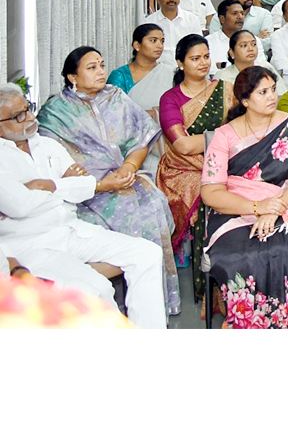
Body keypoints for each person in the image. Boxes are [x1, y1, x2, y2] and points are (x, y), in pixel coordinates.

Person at [0, 83, 167, 329]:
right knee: (97, 289)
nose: (30, 117)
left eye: (28, 108)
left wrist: (48, 185)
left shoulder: (45, 144)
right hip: (35, 245)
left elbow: (85, 185)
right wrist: (65, 186)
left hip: (71, 230)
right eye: (18, 116)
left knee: (147, 253)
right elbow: (20, 206)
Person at [37, 47, 181, 315]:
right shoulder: (55, 111)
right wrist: (99, 183)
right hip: (86, 193)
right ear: (72, 76)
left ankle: (147, 304)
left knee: (152, 207)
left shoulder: (116, 97)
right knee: (107, 223)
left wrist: (129, 166)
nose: (101, 71)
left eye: (102, 65)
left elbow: (143, 137)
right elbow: (51, 161)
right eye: (91, 67)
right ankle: (106, 305)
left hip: (126, 179)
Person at [199, 67, 288, 328]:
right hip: (235, 211)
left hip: (286, 205)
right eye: (262, 92)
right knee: (241, 257)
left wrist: (275, 208)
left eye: (273, 89)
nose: (272, 96)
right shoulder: (225, 135)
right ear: (245, 100)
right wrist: (257, 207)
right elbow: (211, 191)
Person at [156, 35, 232, 260]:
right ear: (180, 63)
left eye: (206, 57)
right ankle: (204, 275)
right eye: (195, 58)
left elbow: (246, 127)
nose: (203, 63)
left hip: (230, 160)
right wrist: (228, 137)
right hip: (184, 168)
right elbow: (183, 145)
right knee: (203, 193)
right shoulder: (170, 99)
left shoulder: (227, 90)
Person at [106, 23, 177, 114]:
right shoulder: (120, 76)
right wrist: (153, 114)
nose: (160, 46)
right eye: (153, 40)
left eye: (162, 41)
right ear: (137, 45)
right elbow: (114, 111)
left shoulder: (171, 73)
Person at [142, 0, 203, 65]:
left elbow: (198, 47)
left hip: (185, 71)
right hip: (157, 70)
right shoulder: (149, 23)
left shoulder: (192, 20)